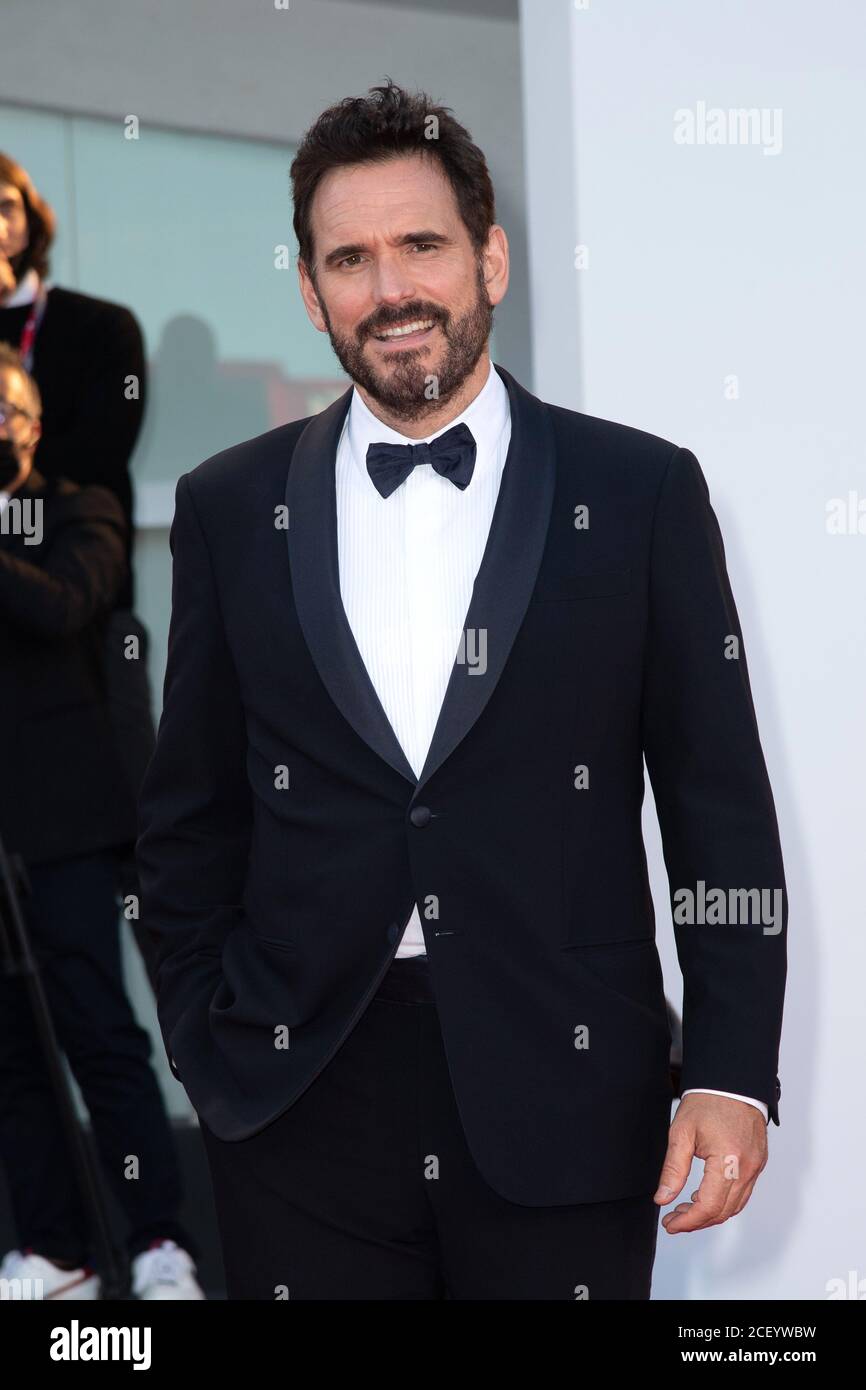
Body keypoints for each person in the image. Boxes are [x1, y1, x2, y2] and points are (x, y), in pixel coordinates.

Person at [135, 81, 787, 1301]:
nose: (389, 290)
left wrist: (730, 1069)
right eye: (350, 257)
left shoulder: (638, 491)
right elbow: (191, 816)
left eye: (421, 244)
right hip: (297, 1094)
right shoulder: (231, 506)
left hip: (567, 1085)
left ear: (488, 258)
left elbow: (717, 804)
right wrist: (208, 1050)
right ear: (310, 288)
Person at [0, 345, 203, 1300]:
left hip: (64, 832)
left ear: (34, 422)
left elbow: (62, 606)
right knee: (9, 1054)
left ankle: (160, 1241)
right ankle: (57, 1250)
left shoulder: (81, 507)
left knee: (98, 1034)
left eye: (6, 408)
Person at [0, 151, 157, 918]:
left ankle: (195, 1036)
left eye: (3, 206)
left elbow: (97, 454)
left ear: (30, 222)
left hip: (87, 633)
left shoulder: (98, 327)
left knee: (134, 864)